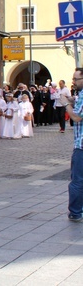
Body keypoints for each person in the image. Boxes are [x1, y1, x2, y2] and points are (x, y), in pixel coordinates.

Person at [65, 68, 83, 222]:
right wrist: (73, 100)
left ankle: (76, 212)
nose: (74, 81)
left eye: (76, 79)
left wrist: (66, 104)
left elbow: (76, 117)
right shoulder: (80, 95)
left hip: (81, 145)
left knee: (77, 180)